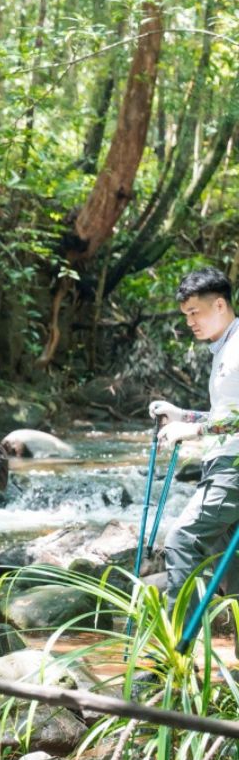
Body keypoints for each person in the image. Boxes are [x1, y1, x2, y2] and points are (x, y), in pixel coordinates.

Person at [149, 266, 239, 622]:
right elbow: (227, 416)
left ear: (219, 305)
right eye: (185, 315)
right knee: (233, 567)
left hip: (232, 471)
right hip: (225, 464)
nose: (190, 322)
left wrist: (194, 433)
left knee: (182, 540)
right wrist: (182, 416)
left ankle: (174, 653)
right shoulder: (225, 347)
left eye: (194, 312)